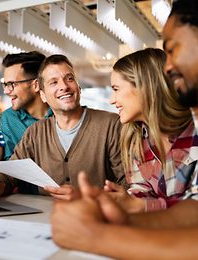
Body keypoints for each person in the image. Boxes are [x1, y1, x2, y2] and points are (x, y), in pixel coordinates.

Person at [51, 0, 198, 258]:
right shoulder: (135, 136)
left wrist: (97, 235)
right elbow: (193, 207)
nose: (168, 67)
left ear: (146, 87)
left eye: (173, 50)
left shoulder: (192, 127)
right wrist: (118, 215)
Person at [0, 54, 125, 201]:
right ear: (43, 95)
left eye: (69, 79)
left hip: (96, 219)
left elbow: (130, 186)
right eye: (54, 82)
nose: (64, 86)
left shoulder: (111, 125)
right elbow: (10, 172)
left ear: (78, 87)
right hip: (43, 219)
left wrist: (87, 196)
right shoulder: (35, 132)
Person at [103, 48, 194, 213]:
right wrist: (121, 200)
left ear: (144, 87)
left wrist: (142, 206)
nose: (112, 100)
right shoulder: (135, 136)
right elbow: (142, 188)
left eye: (116, 89)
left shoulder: (194, 131)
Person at [0, 51, 52, 161]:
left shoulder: (62, 114)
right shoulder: (8, 118)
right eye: (5, 84)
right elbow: (10, 162)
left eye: (12, 84)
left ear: (36, 85)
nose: (6, 91)